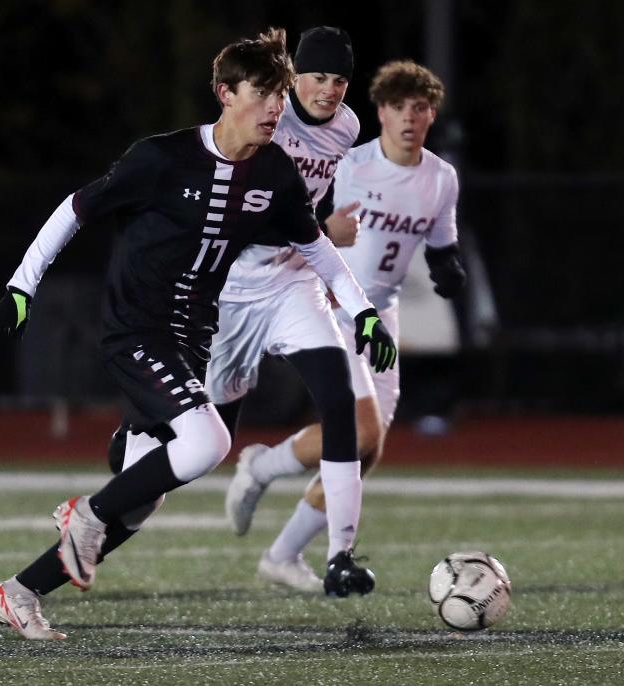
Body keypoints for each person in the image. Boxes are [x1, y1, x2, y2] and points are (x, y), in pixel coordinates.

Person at [0, 28, 396, 640]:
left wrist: (360, 310)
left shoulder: (275, 171)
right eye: (263, 95)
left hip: (194, 340)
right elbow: (76, 209)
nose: (275, 110)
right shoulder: (162, 158)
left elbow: (315, 244)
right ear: (224, 94)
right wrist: (22, 285)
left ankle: (19, 591)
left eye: (279, 97)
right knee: (206, 444)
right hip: (138, 331)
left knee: (144, 492)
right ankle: (85, 513)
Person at [223, 59, 466, 589]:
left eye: (419, 108)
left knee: (369, 448)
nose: (409, 117)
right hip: (333, 302)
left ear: (431, 116)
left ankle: (282, 554)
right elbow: (299, 219)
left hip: (385, 314)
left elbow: (442, 244)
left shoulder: (441, 179)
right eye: (398, 107)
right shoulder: (349, 164)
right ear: (380, 111)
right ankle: (263, 471)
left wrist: (449, 269)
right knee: (360, 430)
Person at [206, 26, 379, 594]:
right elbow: (232, 199)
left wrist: (320, 235)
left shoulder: (349, 125)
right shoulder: (268, 118)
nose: (329, 90)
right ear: (293, 78)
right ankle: (138, 448)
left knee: (341, 408)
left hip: (292, 283)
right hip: (235, 287)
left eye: (339, 80)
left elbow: (315, 197)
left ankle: (339, 556)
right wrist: (320, 229)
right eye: (318, 77)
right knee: (205, 444)